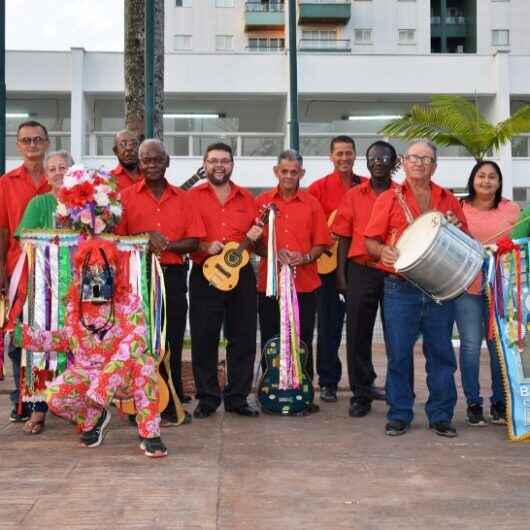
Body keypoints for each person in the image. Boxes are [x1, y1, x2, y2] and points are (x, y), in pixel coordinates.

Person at [22, 239, 168, 458]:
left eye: (103, 271)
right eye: (90, 272)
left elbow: (137, 340)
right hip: (88, 374)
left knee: (144, 363)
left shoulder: (129, 302)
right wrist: (22, 335)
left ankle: (150, 434)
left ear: (114, 272)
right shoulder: (74, 306)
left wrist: (106, 380)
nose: (97, 278)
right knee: (54, 397)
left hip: (122, 374)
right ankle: (93, 418)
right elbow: (66, 339)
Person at [364, 139, 467, 438]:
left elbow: (464, 238)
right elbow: (369, 241)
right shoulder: (388, 198)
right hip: (400, 288)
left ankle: (441, 415)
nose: (419, 164)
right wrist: (381, 251)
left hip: (438, 289)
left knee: (441, 354)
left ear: (434, 165)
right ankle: (399, 413)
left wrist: (456, 229)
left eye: (426, 159)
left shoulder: (447, 198)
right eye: (413, 158)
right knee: (398, 354)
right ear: (404, 163)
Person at [116, 139, 205, 421]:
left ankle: (172, 401)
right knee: (140, 341)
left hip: (173, 276)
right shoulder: (125, 197)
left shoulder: (184, 198)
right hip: (137, 276)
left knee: (173, 340)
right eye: (146, 160)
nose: (151, 165)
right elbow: (116, 240)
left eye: (157, 160)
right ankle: (137, 404)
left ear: (167, 162)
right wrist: (144, 241)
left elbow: (194, 241)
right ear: (139, 164)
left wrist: (165, 246)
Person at [187, 142, 264, 419]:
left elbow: (260, 243)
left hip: (241, 274)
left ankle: (237, 398)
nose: (219, 165)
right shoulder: (192, 198)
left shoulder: (247, 198)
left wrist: (258, 237)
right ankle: (207, 398)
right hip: (205, 273)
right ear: (204, 164)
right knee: (204, 338)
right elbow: (184, 237)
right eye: (213, 161)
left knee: (242, 336)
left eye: (225, 161)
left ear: (232, 164)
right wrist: (204, 246)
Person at [256, 150, 332, 404]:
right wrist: (272, 253)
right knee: (270, 338)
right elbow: (252, 241)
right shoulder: (263, 201)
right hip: (269, 285)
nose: (289, 176)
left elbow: (322, 243)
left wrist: (306, 257)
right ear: (276, 172)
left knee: (303, 340)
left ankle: (304, 393)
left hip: (305, 284)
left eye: (294, 171)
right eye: (284, 171)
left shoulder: (312, 204)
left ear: (302, 173)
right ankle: (270, 391)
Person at [332, 141, 398, 418]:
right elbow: (344, 237)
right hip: (360, 269)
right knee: (358, 333)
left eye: (384, 158)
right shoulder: (353, 195)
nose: (378, 162)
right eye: (373, 158)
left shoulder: (402, 195)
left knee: (397, 335)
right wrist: (341, 276)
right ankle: (361, 392)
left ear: (394, 163)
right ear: (366, 162)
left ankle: (398, 392)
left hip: (396, 271)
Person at [14, 150, 74, 434]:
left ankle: (76, 404)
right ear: (46, 175)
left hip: (77, 288)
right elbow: (25, 239)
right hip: (45, 290)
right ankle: (38, 409)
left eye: (64, 167)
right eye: (53, 168)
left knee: (77, 345)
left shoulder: (87, 204)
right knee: (42, 345)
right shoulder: (39, 203)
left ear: (73, 171)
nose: (58, 172)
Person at [456, 161, 519, 426]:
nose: (486, 181)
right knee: (470, 345)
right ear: (472, 180)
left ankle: (499, 403)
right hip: (467, 287)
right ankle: (473, 403)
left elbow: (519, 243)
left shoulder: (511, 209)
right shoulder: (458, 208)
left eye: (492, 177)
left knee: (498, 347)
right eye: (481, 176)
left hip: (500, 288)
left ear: (499, 182)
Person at [307, 136, 370, 403]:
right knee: (329, 326)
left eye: (349, 153)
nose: (344, 158)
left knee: (361, 327)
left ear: (356, 155)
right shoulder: (318, 188)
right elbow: (308, 223)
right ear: (331, 157)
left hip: (359, 263)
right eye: (339, 154)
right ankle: (328, 380)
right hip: (328, 265)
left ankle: (365, 380)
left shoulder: (367, 186)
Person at [0, 120, 50, 422]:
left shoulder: (59, 177)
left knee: (52, 336)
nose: (32, 145)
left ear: (45, 143)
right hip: (20, 271)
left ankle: (53, 398)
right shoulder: (6, 183)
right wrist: (3, 274)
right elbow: (3, 231)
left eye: (37, 140)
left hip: (56, 272)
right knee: (20, 338)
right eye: (26, 140)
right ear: (18, 145)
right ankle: (23, 400)